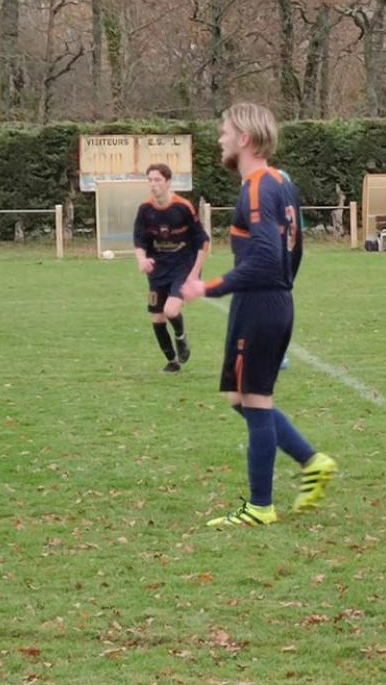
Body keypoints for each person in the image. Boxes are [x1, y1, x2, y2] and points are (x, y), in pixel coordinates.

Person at [182, 103, 337, 528]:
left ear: (245, 139)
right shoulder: (281, 185)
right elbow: (295, 249)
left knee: (255, 399)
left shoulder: (257, 188)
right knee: (240, 397)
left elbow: (269, 257)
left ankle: (261, 506)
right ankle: (311, 460)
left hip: (261, 303)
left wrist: (208, 287)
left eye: (225, 131)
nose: (220, 138)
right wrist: (282, 287)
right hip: (270, 301)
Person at [133, 163, 210, 373]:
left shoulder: (183, 207)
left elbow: (203, 242)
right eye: (150, 180)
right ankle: (172, 361)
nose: (153, 184)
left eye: (157, 180)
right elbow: (139, 242)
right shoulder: (145, 210)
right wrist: (142, 260)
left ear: (168, 182)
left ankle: (180, 336)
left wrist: (195, 274)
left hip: (183, 268)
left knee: (170, 310)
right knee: (157, 317)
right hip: (158, 271)